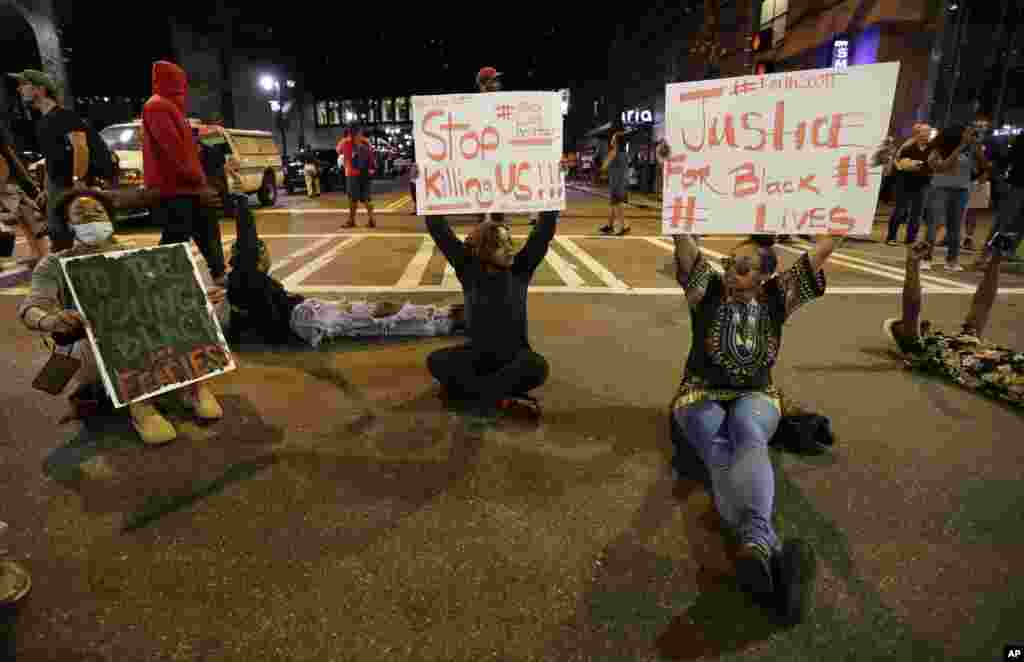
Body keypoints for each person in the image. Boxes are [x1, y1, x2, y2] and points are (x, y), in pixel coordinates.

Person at [667, 224, 845, 624]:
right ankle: (760, 542)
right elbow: (685, 248)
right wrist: (678, 209)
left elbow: (821, 251)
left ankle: (756, 543)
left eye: (743, 267)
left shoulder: (777, 297)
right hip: (701, 392)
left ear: (765, 274)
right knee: (718, 449)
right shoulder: (707, 291)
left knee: (748, 435)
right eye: (729, 263)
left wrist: (852, 204)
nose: (731, 271)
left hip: (756, 395)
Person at [17, 189, 224, 445]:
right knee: (117, 328)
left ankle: (193, 386)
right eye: (81, 214)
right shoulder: (53, 264)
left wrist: (199, 297)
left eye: (98, 213)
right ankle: (141, 407)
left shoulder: (135, 254)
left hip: (140, 339)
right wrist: (52, 320)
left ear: (109, 219)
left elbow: (166, 295)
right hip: (86, 346)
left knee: (181, 311)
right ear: (69, 224)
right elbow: (29, 309)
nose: (91, 219)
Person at [212, 194, 465, 347]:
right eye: (263, 252)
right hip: (303, 318)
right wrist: (243, 209)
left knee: (374, 315)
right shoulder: (246, 279)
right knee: (374, 319)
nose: (267, 255)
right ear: (252, 260)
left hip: (304, 314)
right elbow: (247, 243)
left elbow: (243, 322)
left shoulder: (241, 286)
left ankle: (440, 317)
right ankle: (442, 321)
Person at [423, 211, 556, 418]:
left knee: (538, 367)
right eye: (503, 245)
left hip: (514, 357)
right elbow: (439, 231)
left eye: (510, 242)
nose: (511, 249)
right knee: (435, 361)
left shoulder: (521, 268)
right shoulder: (469, 269)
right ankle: (500, 396)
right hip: (477, 357)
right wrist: (428, 190)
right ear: (484, 249)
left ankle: (476, 394)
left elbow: (543, 233)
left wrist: (551, 202)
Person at [883, 237, 1022, 407]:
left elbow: (982, 304)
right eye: (902, 324)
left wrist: (996, 259)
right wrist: (912, 264)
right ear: (903, 338)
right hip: (1009, 379)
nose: (920, 322)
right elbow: (912, 306)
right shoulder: (923, 351)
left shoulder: (961, 340)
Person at [142, 61, 222, 280]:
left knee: (201, 229)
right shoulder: (158, 106)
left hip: (185, 186)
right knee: (177, 237)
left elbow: (180, 147)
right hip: (176, 187)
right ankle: (158, 277)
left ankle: (217, 272)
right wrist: (197, 178)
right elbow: (173, 148)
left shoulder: (166, 107)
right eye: (180, 81)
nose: (183, 87)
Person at [10, 69, 89, 252]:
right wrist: (46, 187)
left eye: (23, 85)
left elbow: (81, 148)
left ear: (40, 89)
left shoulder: (65, 116)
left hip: (69, 186)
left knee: (81, 234)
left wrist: (78, 181)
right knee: (59, 234)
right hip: (55, 187)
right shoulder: (42, 122)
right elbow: (51, 158)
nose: (19, 89)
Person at [924, 124, 990, 271]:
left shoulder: (971, 149)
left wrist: (977, 148)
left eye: (970, 134)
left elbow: (984, 166)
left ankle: (952, 260)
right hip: (940, 188)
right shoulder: (939, 149)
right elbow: (942, 167)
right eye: (966, 133)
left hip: (961, 190)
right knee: (933, 224)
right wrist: (960, 146)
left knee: (955, 226)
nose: (969, 136)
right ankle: (926, 258)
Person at [0, 116, 48, 266]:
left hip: (11, 185)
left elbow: (5, 163)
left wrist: (2, 184)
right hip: (12, 184)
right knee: (26, 221)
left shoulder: (4, 146)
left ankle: (43, 255)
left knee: (29, 220)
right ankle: (37, 253)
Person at [974, 132, 1024, 269]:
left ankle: (1007, 251)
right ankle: (985, 255)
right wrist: (999, 178)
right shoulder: (1021, 138)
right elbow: (1007, 158)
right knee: (1003, 223)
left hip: (1016, 185)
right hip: (1017, 185)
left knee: (1019, 224)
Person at [884, 123, 932, 247]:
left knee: (917, 213)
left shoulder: (932, 149)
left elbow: (935, 164)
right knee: (900, 210)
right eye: (924, 132)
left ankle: (911, 239)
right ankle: (891, 237)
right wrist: (910, 165)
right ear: (918, 133)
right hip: (905, 183)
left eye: (928, 132)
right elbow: (898, 163)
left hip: (923, 183)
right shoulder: (908, 147)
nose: (926, 134)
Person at [474, 67, 507, 226]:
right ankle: (481, 239)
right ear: (483, 84)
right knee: (480, 205)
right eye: (494, 80)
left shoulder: (502, 104)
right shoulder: (472, 105)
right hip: (479, 161)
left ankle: (498, 233)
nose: (498, 84)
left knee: (498, 207)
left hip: (498, 163)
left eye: (497, 80)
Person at [337, 126, 376, 228]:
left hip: (352, 173)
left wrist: (346, 139)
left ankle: (351, 220)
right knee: (366, 197)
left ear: (350, 133)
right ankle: (372, 219)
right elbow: (372, 158)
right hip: (365, 173)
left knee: (352, 199)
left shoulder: (346, 142)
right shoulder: (366, 142)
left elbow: (338, 150)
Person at [599, 128, 630, 236]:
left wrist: (604, 164)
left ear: (616, 141)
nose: (611, 140)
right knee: (613, 205)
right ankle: (610, 225)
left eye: (613, 138)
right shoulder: (625, 153)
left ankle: (624, 226)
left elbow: (604, 166)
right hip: (623, 182)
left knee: (617, 205)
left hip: (616, 183)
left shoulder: (614, 152)